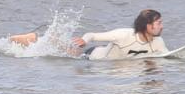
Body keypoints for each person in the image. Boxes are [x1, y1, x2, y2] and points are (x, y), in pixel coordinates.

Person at [10, 9, 168, 60]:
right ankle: (34, 39)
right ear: (148, 26)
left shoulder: (158, 42)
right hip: (92, 57)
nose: (162, 26)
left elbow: (167, 56)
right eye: (159, 23)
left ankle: (38, 39)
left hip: (107, 60)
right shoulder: (124, 34)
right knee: (68, 53)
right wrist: (84, 41)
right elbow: (92, 35)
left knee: (66, 52)